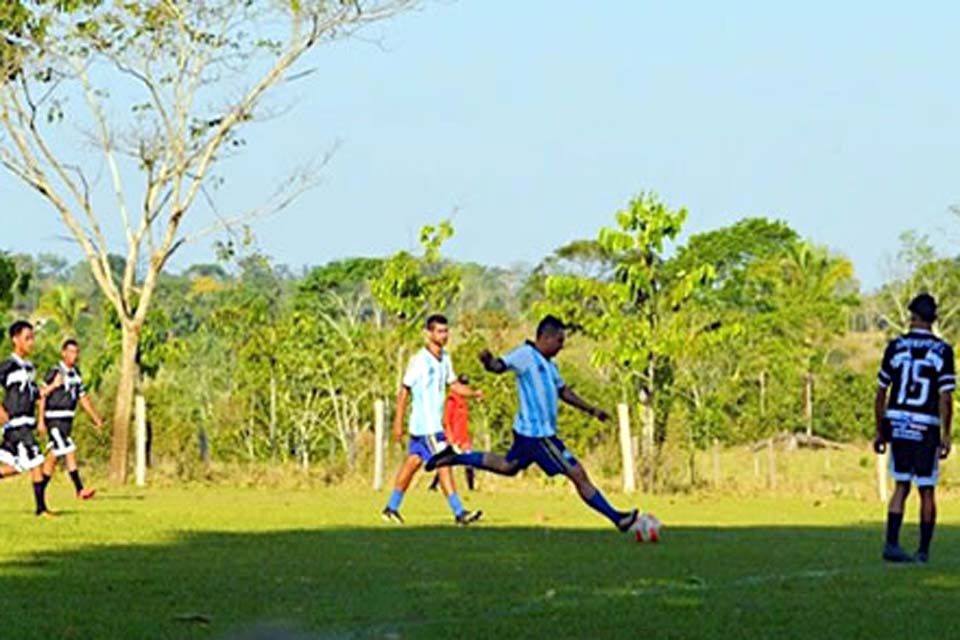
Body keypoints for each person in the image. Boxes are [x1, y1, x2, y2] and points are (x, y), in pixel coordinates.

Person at [427, 315, 640, 532]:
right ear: (545, 338)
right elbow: (500, 365)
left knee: (507, 466)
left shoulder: (549, 365)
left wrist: (591, 410)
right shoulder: (526, 355)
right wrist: (488, 362)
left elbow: (563, 391)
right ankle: (617, 518)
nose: (561, 346)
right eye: (559, 340)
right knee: (577, 474)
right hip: (539, 436)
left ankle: (453, 457)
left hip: (530, 434)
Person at [381, 314, 484, 526]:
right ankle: (459, 513)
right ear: (429, 334)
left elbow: (453, 385)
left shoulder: (445, 358)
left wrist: (473, 393)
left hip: (428, 427)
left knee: (412, 464)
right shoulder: (420, 360)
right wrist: (397, 422)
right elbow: (403, 390)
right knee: (444, 463)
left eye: (446, 331)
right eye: (439, 331)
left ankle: (391, 508)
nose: (444, 336)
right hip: (427, 427)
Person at [874, 293, 954, 564]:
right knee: (927, 488)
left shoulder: (895, 347)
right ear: (934, 319)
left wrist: (879, 429)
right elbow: (945, 397)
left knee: (901, 485)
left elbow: (881, 391)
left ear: (911, 317)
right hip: (925, 424)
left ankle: (892, 544)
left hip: (897, 421)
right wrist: (946, 433)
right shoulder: (942, 350)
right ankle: (922, 550)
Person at [0, 321, 62, 517]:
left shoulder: (29, 368)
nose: (31, 342)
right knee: (36, 462)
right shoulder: (8, 365)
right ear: (15, 339)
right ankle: (41, 509)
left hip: (26, 422)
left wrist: (52, 387)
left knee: (18, 466)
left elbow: (35, 394)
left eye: (32, 337)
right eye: (27, 338)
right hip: (17, 424)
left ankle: (41, 508)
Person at [39, 338, 103, 500]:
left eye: (76, 352)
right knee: (69, 450)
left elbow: (83, 398)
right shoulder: (54, 372)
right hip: (54, 419)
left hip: (67, 421)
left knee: (53, 457)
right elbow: (42, 395)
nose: (74, 355)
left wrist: (95, 417)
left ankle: (39, 490)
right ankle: (80, 490)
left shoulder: (76, 374)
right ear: (64, 353)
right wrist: (41, 420)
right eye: (71, 352)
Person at [429, 374, 479, 492]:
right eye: (462, 384)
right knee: (448, 462)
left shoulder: (463, 400)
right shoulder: (451, 400)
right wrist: (450, 437)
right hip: (454, 438)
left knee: (469, 460)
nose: (464, 387)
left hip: (463, 437)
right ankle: (433, 485)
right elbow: (446, 420)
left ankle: (471, 488)